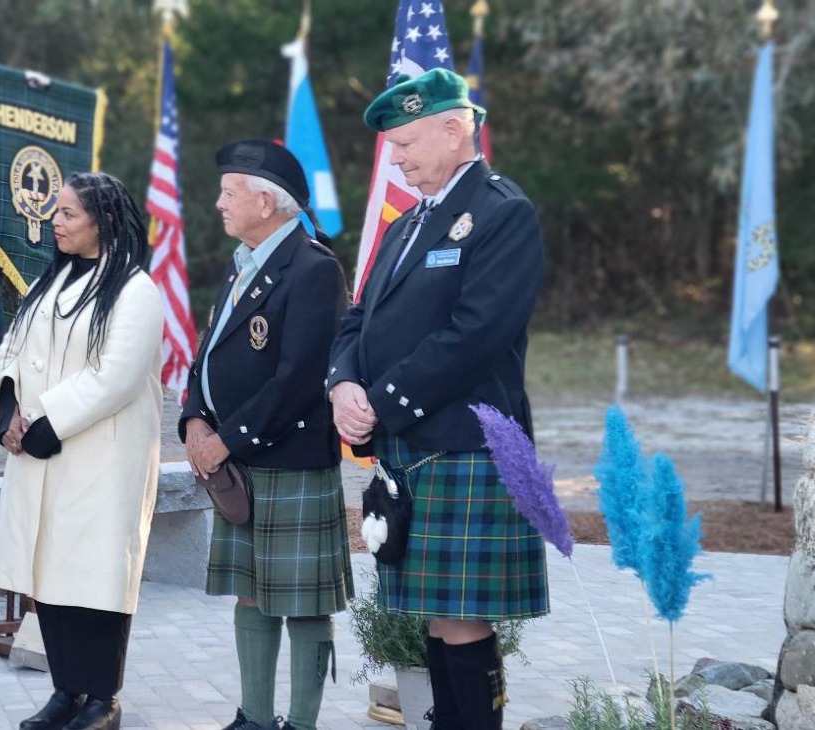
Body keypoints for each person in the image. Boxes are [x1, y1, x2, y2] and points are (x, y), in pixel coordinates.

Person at [328, 68, 549, 730]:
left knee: (460, 613)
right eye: (393, 147)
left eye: (406, 143)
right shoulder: (404, 226)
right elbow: (356, 320)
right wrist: (342, 384)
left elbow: (475, 337)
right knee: (435, 609)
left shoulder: (503, 213)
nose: (395, 158)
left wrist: (381, 403)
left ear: (455, 130)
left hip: (465, 445)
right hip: (411, 446)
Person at [0, 172, 164, 730]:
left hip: (100, 461)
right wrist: (9, 405)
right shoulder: (49, 284)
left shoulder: (135, 292)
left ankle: (103, 699)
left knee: (97, 580)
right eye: (55, 212)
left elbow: (116, 378)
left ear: (102, 222)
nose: (54, 222)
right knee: (51, 576)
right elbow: (11, 349)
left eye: (67, 214)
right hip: (43, 454)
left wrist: (43, 424)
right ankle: (66, 692)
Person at [180, 140, 352, 730]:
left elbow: (299, 379)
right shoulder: (242, 263)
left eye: (229, 193)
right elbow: (207, 356)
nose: (219, 204)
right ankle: (254, 717)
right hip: (242, 460)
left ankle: (300, 724)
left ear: (266, 200)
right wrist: (194, 419)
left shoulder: (313, 268)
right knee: (251, 593)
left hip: (291, 460)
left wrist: (225, 442)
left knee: (303, 604)